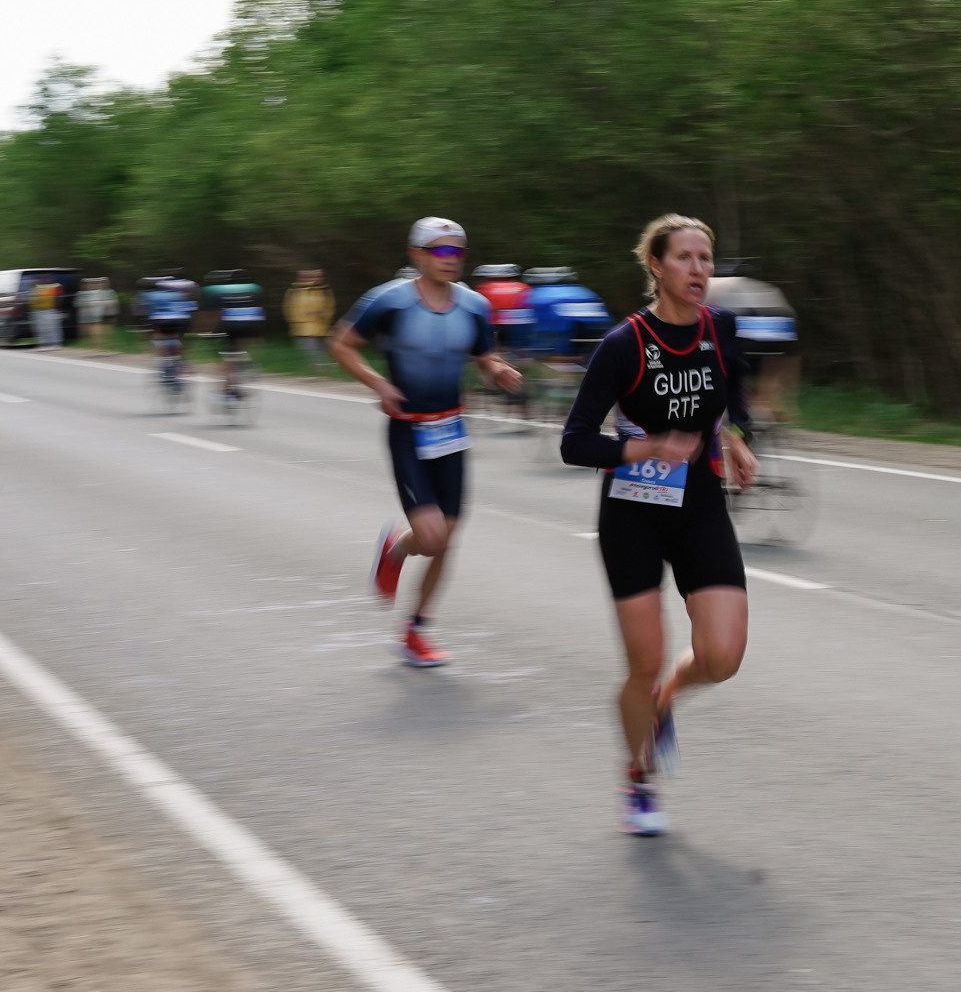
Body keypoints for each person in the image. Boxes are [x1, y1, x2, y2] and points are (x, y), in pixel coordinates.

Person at [560, 214, 758, 838]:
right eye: (686, 258)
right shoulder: (624, 344)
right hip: (632, 514)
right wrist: (644, 450)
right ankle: (638, 778)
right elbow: (574, 442)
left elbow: (733, 393)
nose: (700, 270)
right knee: (641, 662)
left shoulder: (720, 328)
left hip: (698, 504)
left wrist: (737, 436)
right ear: (657, 266)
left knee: (723, 656)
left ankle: (665, 700)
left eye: (707, 258)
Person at [330, 219, 522, 667]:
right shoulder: (388, 301)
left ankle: (415, 630)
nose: (451, 258)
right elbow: (340, 344)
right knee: (432, 537)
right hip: (408, 430)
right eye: (440, 251)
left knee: (446, 539)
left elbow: (481, 354)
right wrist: (379, 384)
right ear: (418, 255)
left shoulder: (475, 305)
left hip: (452, 431)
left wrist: (495, 370)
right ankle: (397, 548)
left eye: (458, 251)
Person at [706, 258, 800, 423]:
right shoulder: (769, 289)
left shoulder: (715, 283)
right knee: (770, 362)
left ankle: (739, 408)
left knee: (728, 365)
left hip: (745, 325)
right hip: (780, 325)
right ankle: (769, 402)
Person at [283, 269, 335, 372]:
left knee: (322, 353)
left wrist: (323, 316)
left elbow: (330, 307)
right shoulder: (294, 292)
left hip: (322, 328)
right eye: (313, 277)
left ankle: (319, 373)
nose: (317, 279)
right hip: (304, 330)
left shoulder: (325, 291)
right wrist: (304, 319)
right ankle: (313, 373)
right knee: (312, 353)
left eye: (319, 277)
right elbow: (289, 309)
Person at [77, 276, 117, 345]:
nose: (102, 284)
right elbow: (93, 302)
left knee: (109, 331)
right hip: (99, 315)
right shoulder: (96, 292)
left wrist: (104, 302)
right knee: (98, 332)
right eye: (101, 283)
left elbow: (113, 302)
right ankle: (100, 347)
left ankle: (109, 345)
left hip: (109, 313)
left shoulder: (111, 292)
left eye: (104, 282)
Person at [30, 276, 66, 348]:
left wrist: (57, 307)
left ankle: (56, 343)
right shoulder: (35, 288)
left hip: (50, 310)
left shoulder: (54, 286)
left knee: (52, 328)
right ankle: (45, 343)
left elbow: (59, 297)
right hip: (38, 311)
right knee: (42, 329)